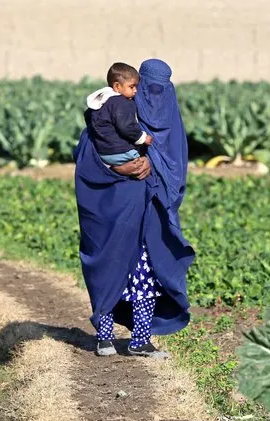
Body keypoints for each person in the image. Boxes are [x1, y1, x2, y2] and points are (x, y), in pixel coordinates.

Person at [74, 58, 195, 357]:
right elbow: (86, 158)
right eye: (148, 90)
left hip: (152, 216)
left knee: (147, 273)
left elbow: (175, 170)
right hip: (112, 211)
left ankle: (140, 340)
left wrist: (152, 164)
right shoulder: (111, 117)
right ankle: (104, 336)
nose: (154, 98)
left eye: (161, 91)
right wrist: (120, 169)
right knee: (110, 265)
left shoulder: (172, 130)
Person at [84, 62, 153, 166]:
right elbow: (126, 127)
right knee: (144, 163)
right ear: (117, 86)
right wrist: (143, 138)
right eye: (132, 86)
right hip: (121, 152)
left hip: (103, 153)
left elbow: (88, 116)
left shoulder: (101, 100)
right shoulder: (122, 103)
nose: (135, 91)